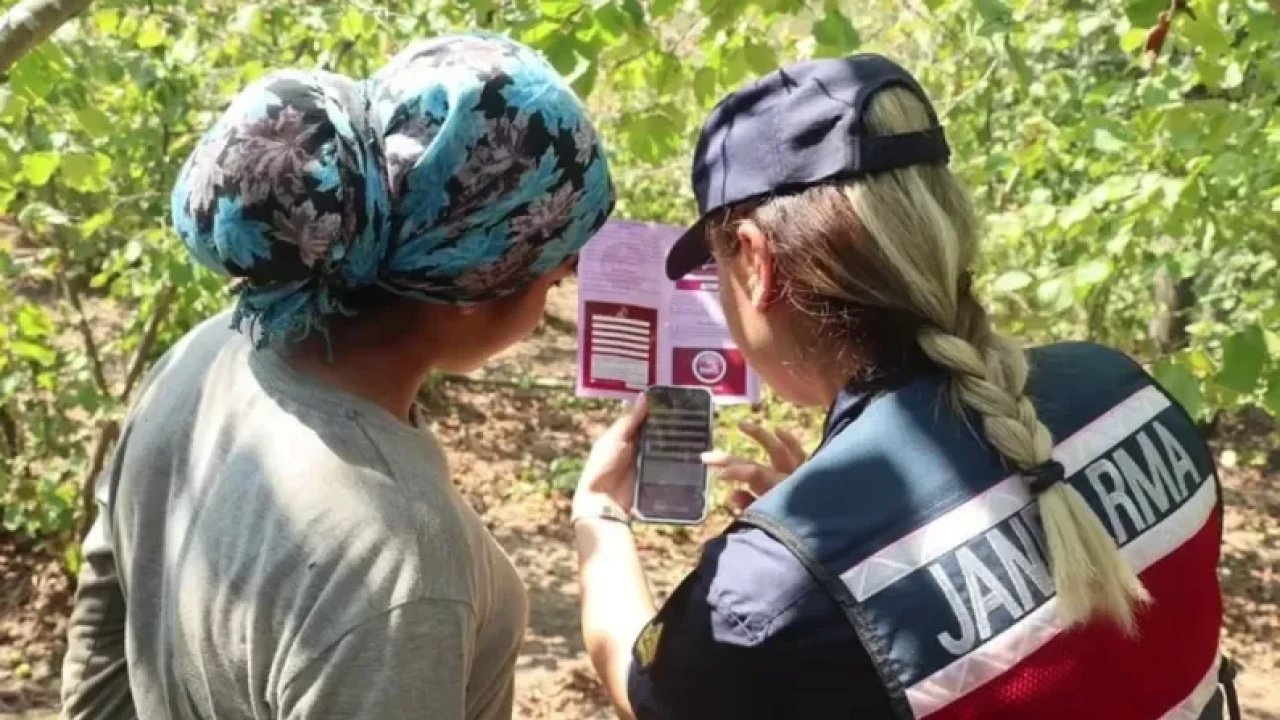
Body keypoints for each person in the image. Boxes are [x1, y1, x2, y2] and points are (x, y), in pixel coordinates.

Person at [572, 53, 1235, 720]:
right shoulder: (1127, 390)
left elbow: (648, 692)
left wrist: (599, 514)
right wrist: (821, 537)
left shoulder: (771, 586)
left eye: (716, 264)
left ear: (754, 260)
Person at [60, 33, 614, 720]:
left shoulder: (207, 354)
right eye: (556, 278)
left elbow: (107, 619)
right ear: (479, 285)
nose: (555, 296)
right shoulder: (399, 564)